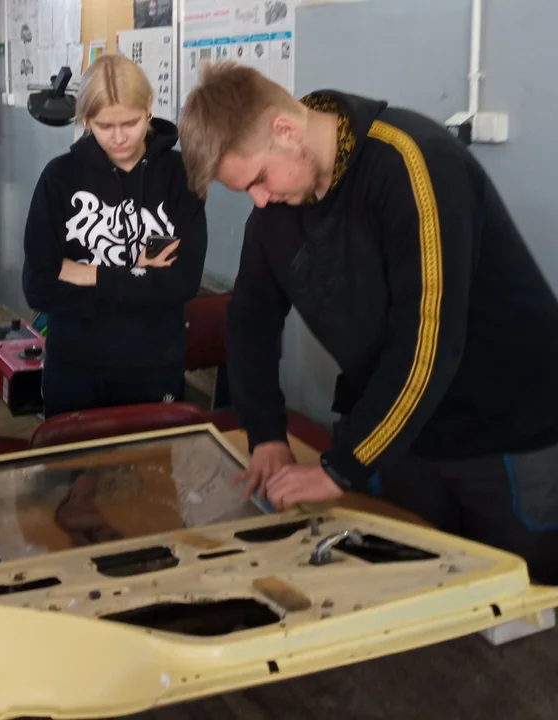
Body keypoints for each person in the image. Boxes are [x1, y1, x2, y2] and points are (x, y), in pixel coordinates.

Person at [177, 61, 558, 586]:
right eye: (246, 191)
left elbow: (429, 343)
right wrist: (265, 432)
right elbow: (250, 320)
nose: (259, 200)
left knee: (521, 600)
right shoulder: (279, 208)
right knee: (410, 588)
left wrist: (341, 467)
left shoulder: (414, 164)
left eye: (259, 179)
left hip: (506, 431)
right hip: (399, 427)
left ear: (286, 131)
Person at [22, 54, 208, 418]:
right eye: (105, 126)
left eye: (131, 122)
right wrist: (140, 278)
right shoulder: (59, 178)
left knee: (152, 457)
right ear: (86, 119)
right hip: (75, 367)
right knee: (75, 457)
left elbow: (184, 281)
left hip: (154, 365)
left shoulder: (180, 175)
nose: (120, 137)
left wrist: (87, 273)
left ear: (149, 106)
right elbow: (39, 287)